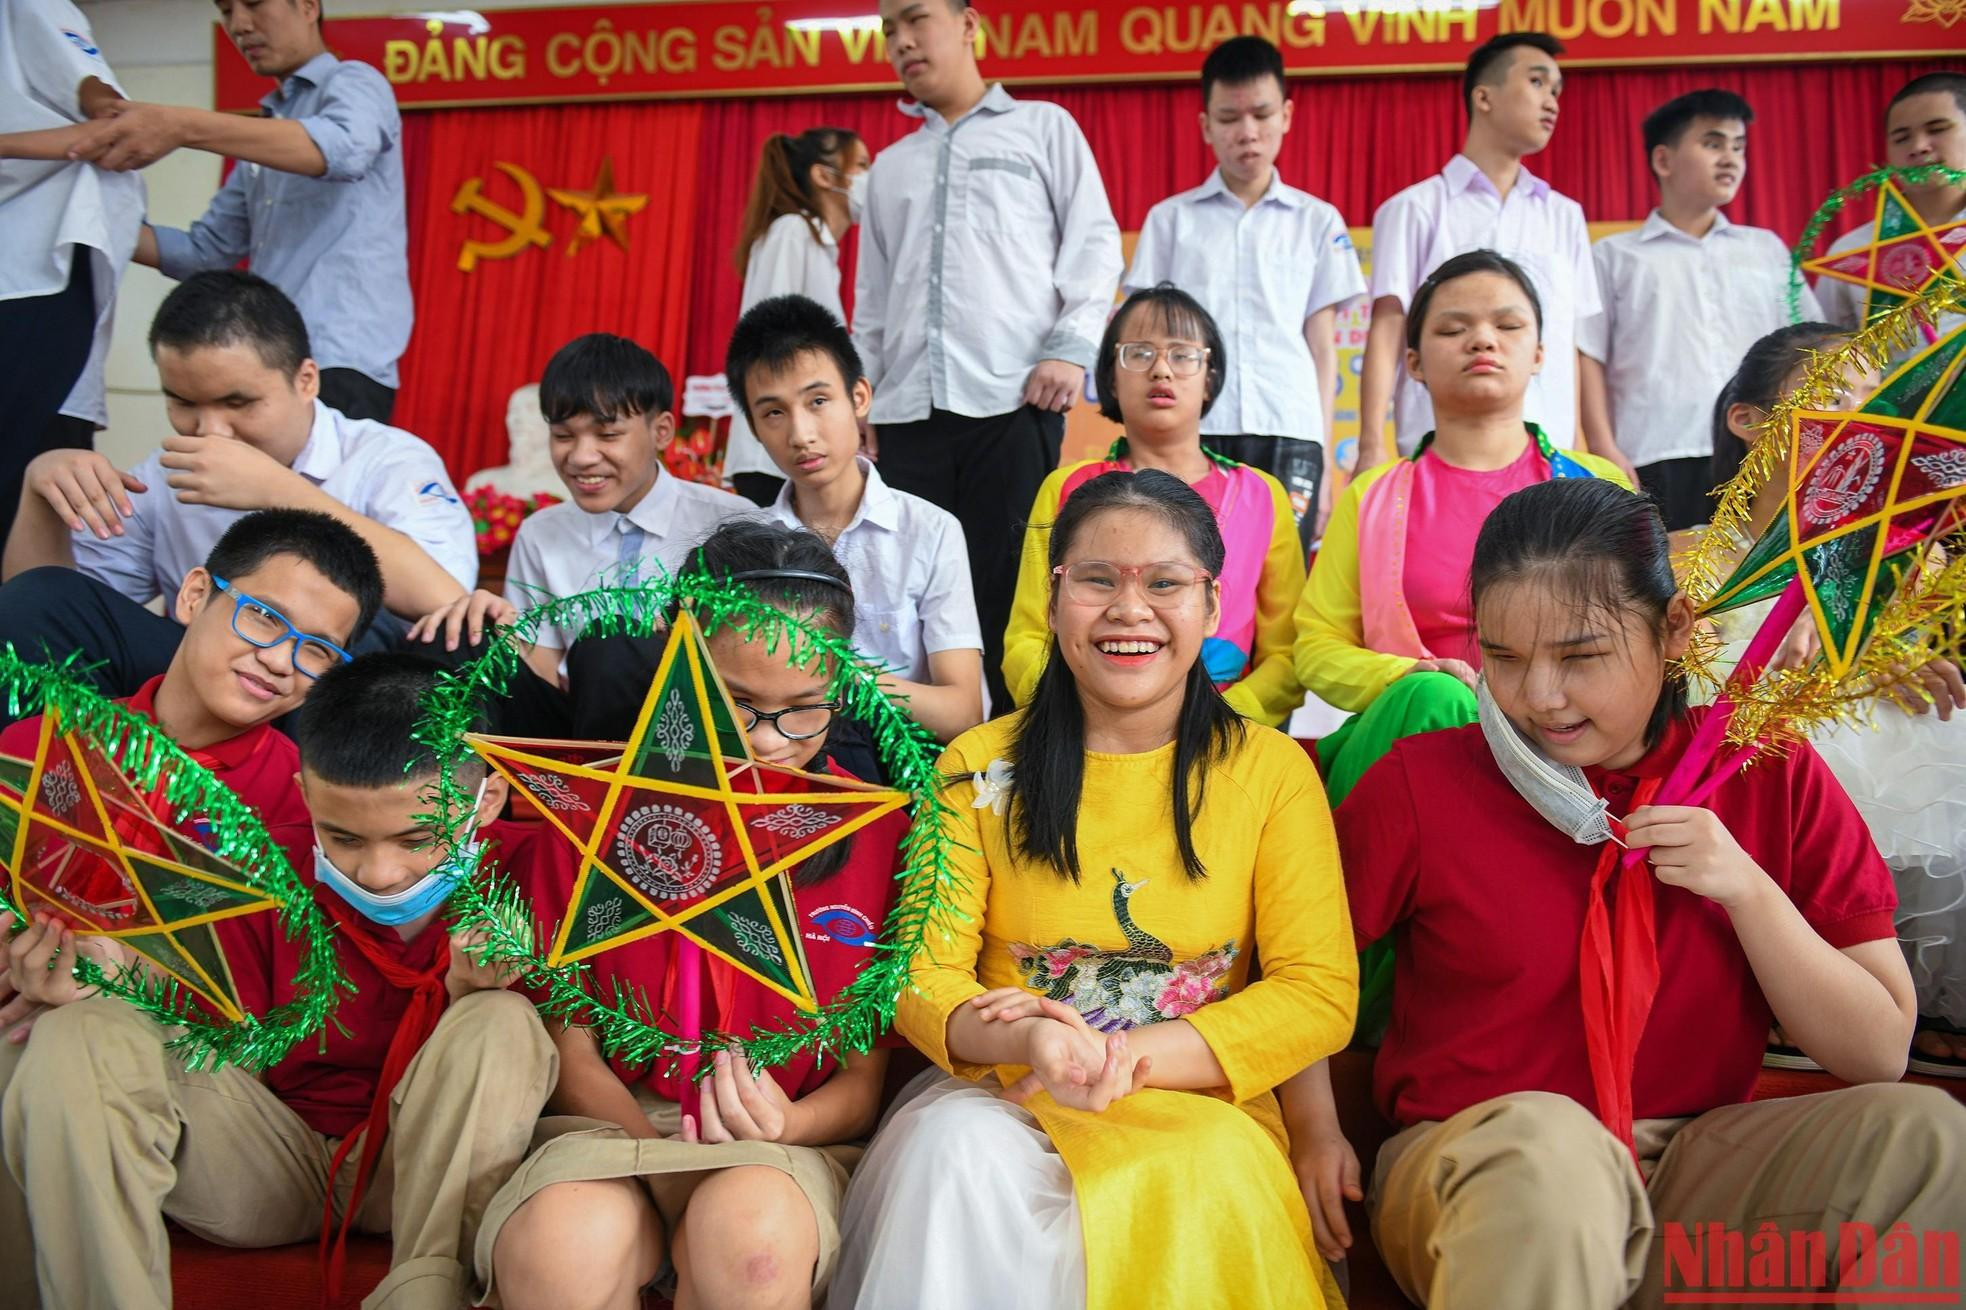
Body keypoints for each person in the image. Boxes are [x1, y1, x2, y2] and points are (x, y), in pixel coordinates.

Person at [1287, 477, 1966, 1309]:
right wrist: (1318, 1132)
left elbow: (1876, 1053)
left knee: (1930, 1140)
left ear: (1673, 629)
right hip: (1485, 1165)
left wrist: (1749, 893)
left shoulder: (1769, 776)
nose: (1539, 696)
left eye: (1580, 657)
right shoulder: (1423, 785)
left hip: (1694, 1171)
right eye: (1502, 657)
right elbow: (1296, 977)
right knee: (1547, 1154)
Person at [832, 471, 1356, 1310]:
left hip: (1197, 1105)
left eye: (1165, 583)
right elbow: (920, 976)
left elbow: (1317, 991)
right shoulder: (974, 765)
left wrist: (1128, 1060)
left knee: (1198, 1178)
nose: (1130, 609)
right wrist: (1029, 1044)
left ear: (1213, 606)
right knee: (953, 1155)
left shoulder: (1274, 775)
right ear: (1054, 596)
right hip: (1007, 1097)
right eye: (1099, 580)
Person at [0, 651, 558, 1310]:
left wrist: (481, 993)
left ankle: (425, 1293)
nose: (378, 873)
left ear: (486, 799)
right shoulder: (262, 865)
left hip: (434, 1166)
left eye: (415, 839)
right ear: (305, 795)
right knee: (76, 1032)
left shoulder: (546, 867)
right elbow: (196, 1005)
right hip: (271, 1157)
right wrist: (106, 971)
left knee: (498, 1021)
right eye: (343, 837)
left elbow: (563, 1053)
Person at [476, 520, 906, 1310]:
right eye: (736, 702)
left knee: (754, 1248)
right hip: (609, 1127)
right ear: (678, 660)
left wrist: (785, 1125)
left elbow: (862, 1079)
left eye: (803, 709)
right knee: (558, 1249)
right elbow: (571, 1054)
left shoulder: (880, 835)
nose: (768, 743)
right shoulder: (588, 816)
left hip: (783, 1138)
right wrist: (663, 1156)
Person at [0, 271, 472, 707]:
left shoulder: (385, 458)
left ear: (306, 380)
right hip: (200, 690)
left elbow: (448, 597)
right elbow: (55, 607)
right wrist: (38, 494)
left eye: (237, 402)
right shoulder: (165, 476)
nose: (210, 431)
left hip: (334, 698)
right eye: (184, 403)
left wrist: (278, 489)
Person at [1705, 322, 1966, 1079]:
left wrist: (1889, 664)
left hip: (1856, 720)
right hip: (1745, 739)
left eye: (1871, 399)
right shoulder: (1692, 553)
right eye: (1830, 393)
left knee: (1926, 726)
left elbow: (1890, 658)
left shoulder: (1903, 557)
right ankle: (1781, 995)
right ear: (1749, 423)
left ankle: (1900, 999)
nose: (1857, 416)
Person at [858, 0, 1123, 712]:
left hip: (1014, 401)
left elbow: (1094, 245)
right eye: (888, 31)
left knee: (1013, 589)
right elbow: (873, 300)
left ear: (970, 24)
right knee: (911, 591)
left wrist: (1069, 348)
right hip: (907, 412)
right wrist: (864, 400)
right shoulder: (887, 168)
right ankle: (918, 766)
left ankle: (1016, 757)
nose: (901, 42)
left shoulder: (1044, 129)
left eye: (915, 19)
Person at [1294, 251, 1629, 807]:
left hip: (1563, 744)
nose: (1482, 340)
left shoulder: (1596, 483)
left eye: (1508, 325)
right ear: (1415, 363)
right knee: (1434, 699)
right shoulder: (1374, 496)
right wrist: (1412, 674)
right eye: (1453, 328)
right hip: (1414, 745)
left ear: (1541, 353)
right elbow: (1317, 646)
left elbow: (1638, 635)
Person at [65, 0, 409, 420]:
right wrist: (78, 217)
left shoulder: (354, 81)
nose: (240, 25)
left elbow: (345, 149)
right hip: (269, 362)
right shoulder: (268, 128)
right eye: (227, 11)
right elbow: (202, 252)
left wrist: (183, 126)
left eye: (254, 4)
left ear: (307, 6)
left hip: (340, 364)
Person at [408, 334, 754, 736]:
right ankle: (475, 796)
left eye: (607, 436)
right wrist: (496, 629)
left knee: (611, 642)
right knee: (459, 639)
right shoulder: (541, 533)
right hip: (578, 727)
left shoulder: (728, 524)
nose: (581, 457)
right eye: (564, 436)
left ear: (661, 431)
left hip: (697, 727)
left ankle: (622, 797)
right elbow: (540, 673)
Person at [1005, 285, 1304, 728]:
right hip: (1085, 727)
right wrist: (1078, 711)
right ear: (1109, 378)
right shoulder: (1067, 487)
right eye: (1139, 353)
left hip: (1223, 728)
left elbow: (1285, 654)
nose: (1161, 369)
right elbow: (1027, 637)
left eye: (1183, 355)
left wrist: (1220, 718)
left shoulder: (1261, 494)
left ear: (1210, 377)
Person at [1124, 36, 1365, 545]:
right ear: (1206, 125)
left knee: (1283, 589)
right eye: (1230, 118)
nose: (1247, 133)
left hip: (1290, 429)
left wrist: (1321, 450)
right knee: (1186, 569)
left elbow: (1323, 349)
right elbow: (1146, 340)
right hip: (1192, 430)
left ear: (1287, 115)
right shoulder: (1170, 221)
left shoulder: (1317, 221)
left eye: (1261, 113)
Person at [726, 293, 985, 742]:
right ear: (753, 427)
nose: (801, 434)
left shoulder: (930, 531)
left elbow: (963, 712)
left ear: (859, 397)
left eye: (818, 401)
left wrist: (835, 675)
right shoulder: (750, 544)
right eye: (773, 413)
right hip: (776, 750)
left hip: (895, 758)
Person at [1358, 33, 1605, 472]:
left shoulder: (1564, 215)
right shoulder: (1415, 208)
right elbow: (1389, 328)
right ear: (1484, 97)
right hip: (1440, 445)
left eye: (1556, 91)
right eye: (1536, 82)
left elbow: (1576, 341)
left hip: (1548, 449)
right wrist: (1371, 444)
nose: (1552, 101)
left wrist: (1596, 445)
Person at [1579, 89, 1822, 531]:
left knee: (1763, 586)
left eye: (1738, 146)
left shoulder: (1765, 250)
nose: (1730, 157)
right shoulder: (1614, 257)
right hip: (1657, 452)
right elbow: (1589, 354)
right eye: (1712, 143)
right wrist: (1604, 448)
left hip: (1762, 447)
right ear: (1664, 160)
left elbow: (1807, 345)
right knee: (1668, 583)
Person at [0, 0, 144, 551]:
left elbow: (114, 122)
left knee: (26, 499)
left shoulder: (29, 8)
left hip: (37, 278)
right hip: (26, 278)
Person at [724, 128, 872, 508]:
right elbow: (770, 335)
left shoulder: (816, 243)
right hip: (778, 454)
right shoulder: (793, 232)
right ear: (825, 176)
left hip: (803, 447)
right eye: (861, 166)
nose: (870, 177)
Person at [1814, 72, 1966, 348]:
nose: (1918, 147)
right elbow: (1826, 357)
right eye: (1901, 137)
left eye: (1937, 129)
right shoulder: (1851, 254)